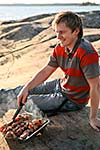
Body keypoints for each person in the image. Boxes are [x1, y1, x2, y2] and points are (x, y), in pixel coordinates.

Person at [17, 11, 100, 131]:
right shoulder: (60, 47)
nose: (58, 37)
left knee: (27, 103)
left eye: (62, 32)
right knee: (20, 92)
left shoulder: (87, 53)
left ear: (76, 31)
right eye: (56, 32)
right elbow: (46, 71)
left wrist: (93, 118)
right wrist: (26, 88)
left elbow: (96, 87)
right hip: (60, 85)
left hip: (72, 99)